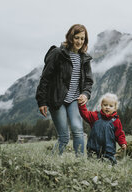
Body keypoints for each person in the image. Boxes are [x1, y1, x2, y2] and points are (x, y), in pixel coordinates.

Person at [36, 24, 93, 155]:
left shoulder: (84, 58)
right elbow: (45, 78)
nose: (79, 41)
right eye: (76, 37)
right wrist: (42, 101)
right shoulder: (58, 54)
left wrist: (85, 94)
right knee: (64, 137)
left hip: (74, 99)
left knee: (78, 130)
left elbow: (88, 81)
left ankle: (80, 164)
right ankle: (51, 162)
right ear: (70, 37)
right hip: (57, 99)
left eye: (82, 39)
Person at [78, 93, 127, 164]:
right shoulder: (95, 116)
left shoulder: (116, 121)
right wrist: (81, 105)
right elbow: (85, 114)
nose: (107, 107)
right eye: (105, 105)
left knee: (109, 164)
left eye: (111, 106)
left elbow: (119, 134)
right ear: (101, 105)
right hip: (93, 148)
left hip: (108, 150)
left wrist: (122, 143)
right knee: (92, 163)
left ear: (115, 108)